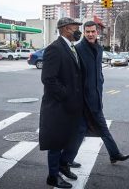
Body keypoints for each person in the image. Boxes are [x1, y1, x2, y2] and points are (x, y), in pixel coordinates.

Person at [72, 21, 129, 166]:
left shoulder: (98, 48)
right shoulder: (78, 49)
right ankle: (114, 154)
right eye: (88, 32)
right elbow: (75, 75)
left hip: (96, 96)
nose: (90, 34)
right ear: (84, 33)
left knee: (80, 131)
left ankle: (66, 159)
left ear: (97, 32)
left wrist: (101, 80)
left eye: (93, 31)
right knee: (102, 128)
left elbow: (98, 70)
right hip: (85, 100)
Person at [39, 17, 83, 188]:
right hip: (58, 106)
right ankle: (52, 176)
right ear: (65, 29)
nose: (77, 30)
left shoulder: (70, 47)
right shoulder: (54, 49)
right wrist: (66, 95)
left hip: (70, 105)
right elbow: (48, 79)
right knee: (56, 143)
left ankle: (62, 168)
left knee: (67, 139)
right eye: (75, 27)